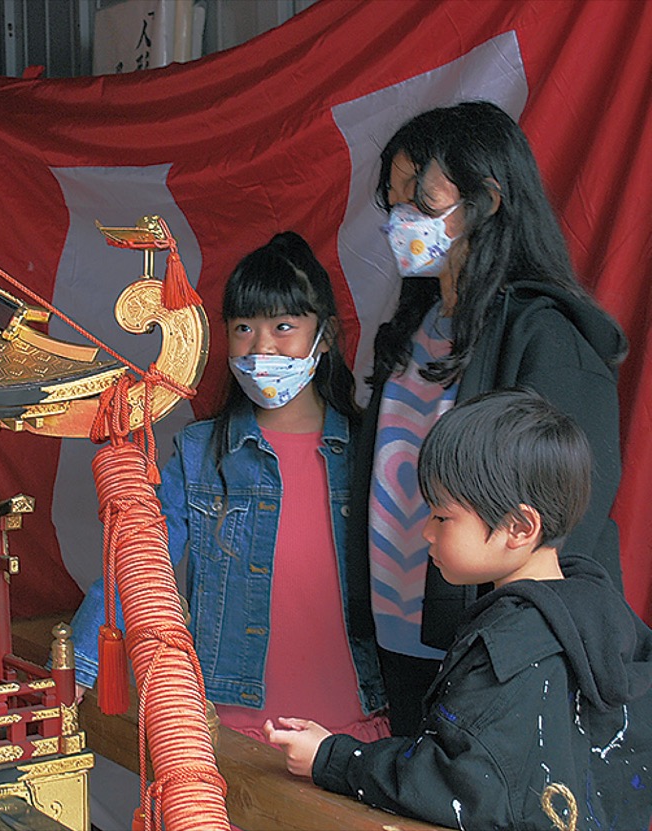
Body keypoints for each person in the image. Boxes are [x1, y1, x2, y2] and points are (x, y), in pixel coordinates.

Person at [349, 100, 628, 736]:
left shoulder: (548, 338)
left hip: (493, 650)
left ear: (487, 199)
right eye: (393, 204)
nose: (400, 221)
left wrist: (512, 641)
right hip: (399, 637)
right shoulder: (412, 331)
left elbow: (567, 524)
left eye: (420, 202)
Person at [265, 389, 652, 831]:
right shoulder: (599, 610)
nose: (427, 532)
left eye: (443, 517)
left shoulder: (510, 648)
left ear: (519, 527)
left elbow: (455, 784)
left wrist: (330, 757)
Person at [70, 231, 388, 743]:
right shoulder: (200, 454)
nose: (262, 347)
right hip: (233, 730)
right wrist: (82, 663)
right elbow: (137, 560)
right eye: (244, 328)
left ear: (324, 336)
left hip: (355, 728)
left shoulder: (368, 450)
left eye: (284, 327)